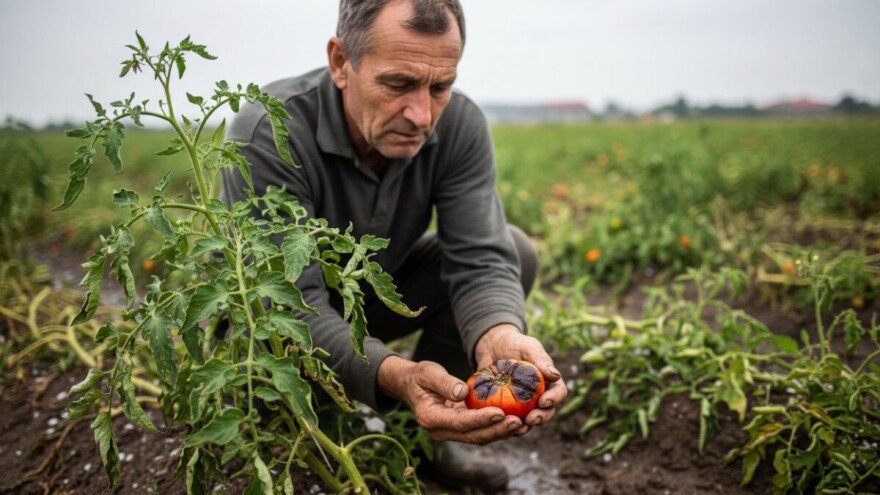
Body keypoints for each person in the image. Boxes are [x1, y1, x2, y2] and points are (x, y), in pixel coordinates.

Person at [221, 0, 567, 490]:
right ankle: (309, 415)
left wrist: (498, 333)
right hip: (265, 334)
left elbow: (479, 258)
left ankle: (423, 439)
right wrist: (399, 377)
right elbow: (288, 306)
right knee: (282, 446)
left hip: (365, 304)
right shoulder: (270, 132)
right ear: (342, 63)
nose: (421, 114)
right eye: (397, 84)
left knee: (513, 251)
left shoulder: (459, 125)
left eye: (440, 86)